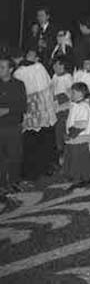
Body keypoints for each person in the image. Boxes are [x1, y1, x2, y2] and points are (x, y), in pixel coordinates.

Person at [15, 53, 58, 180]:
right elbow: (50, 87)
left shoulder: (18, 73)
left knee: (31, 143)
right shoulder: (40, 67)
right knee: (45, 140)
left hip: (31, 115)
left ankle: (31, 172)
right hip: (45, 112)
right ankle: (47, 167)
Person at [0, 56, 27, 193]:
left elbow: (23, 106)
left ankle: (14, 182)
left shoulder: (18, 85)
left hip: (13, 125)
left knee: (14, 155)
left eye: (2, 67)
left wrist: (7, 110)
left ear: (11, 69)